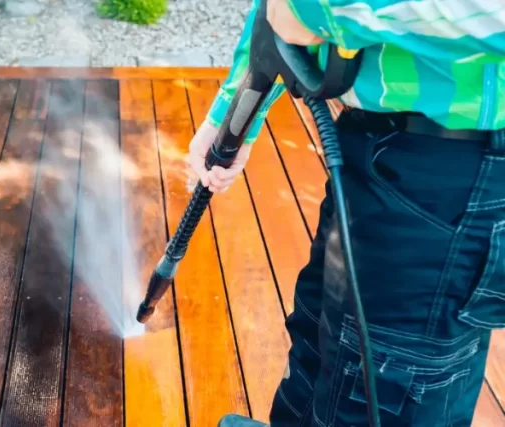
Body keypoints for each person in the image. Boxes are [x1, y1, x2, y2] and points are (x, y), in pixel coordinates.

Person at [191, 1, 505, 426]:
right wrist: (234, 113)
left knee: (386, 378)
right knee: (324, 337)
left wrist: (319, 12)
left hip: (458, 171)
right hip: (377, 143)